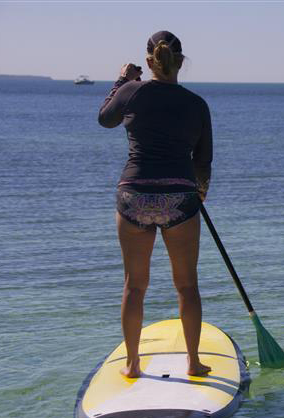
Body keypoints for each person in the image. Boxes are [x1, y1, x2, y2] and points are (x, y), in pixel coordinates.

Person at [98, 31, 213, 378]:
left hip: (133, 196)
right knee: (187, 285)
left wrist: (122, 79)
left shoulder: (131, 92)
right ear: (180, 62)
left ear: (149, 62)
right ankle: (192, 361)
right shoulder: (197, 104)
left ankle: (133, 365)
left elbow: (105, 118)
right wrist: (199, 195)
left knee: (135, 285)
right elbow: (203, 162)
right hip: (179, 199)